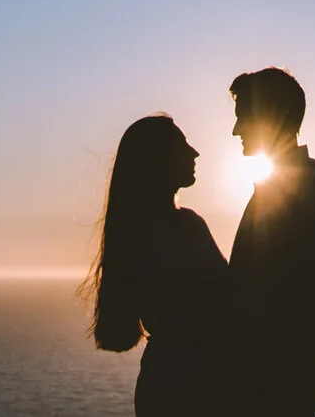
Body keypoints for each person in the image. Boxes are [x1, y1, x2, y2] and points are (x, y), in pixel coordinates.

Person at [225, 67, 315, 417]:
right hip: (286, 371)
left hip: (276, 377)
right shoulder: (308, 184)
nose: (236, 130)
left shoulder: (300, 189)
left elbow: (272, 292)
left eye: (243, 118)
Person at [84, 114, 229, 416]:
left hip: (160, 380)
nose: (195, 153)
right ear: (159, 160)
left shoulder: (135, 232)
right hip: (196, 382)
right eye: (183, 146)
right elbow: (228, 301)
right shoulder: (184, 227)